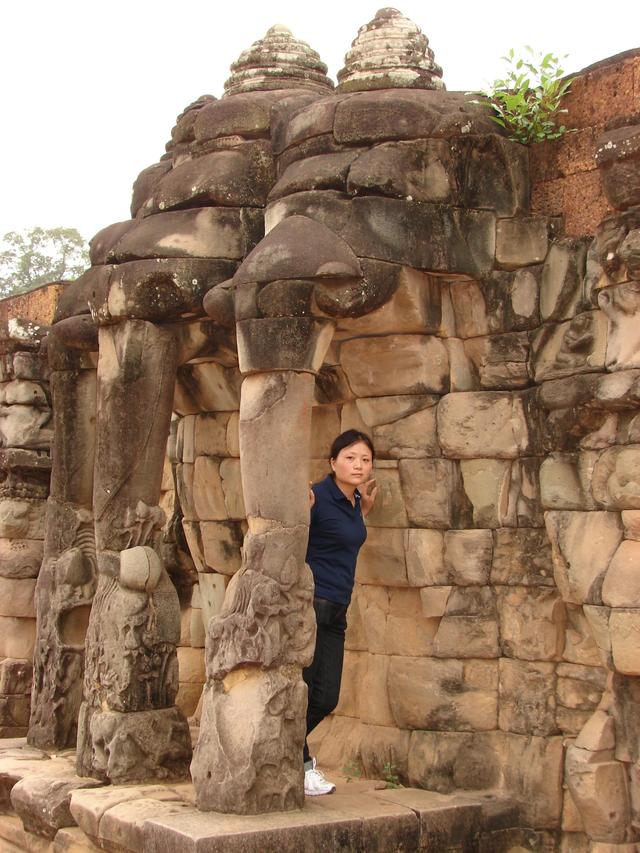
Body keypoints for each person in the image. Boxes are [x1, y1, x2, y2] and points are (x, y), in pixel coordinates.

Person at [303, 429, 377, 796]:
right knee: (304, 691)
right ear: (333, 462)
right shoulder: (316, 497)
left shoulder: (354, 502)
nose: (358, 465)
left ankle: (285, 750)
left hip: (338, 611)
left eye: (364, 459)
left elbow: (348, 537)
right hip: (311, 606)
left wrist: (362, 510)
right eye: (350, 457)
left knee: (326, 696)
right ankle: (300, 765)